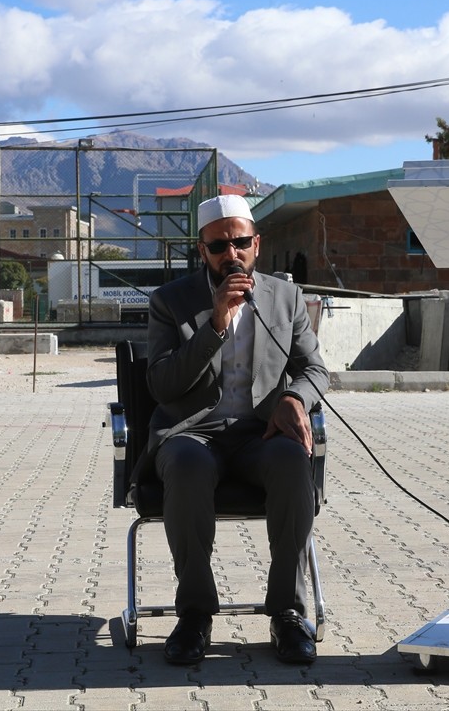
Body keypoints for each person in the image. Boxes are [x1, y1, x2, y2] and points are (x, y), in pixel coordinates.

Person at [144, 194, 329, 665]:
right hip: (193, 432)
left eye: (241, 242)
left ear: (256, 244)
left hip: (258, 435)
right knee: (185, 465)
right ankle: (195, 616)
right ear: (202, 250)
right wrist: (216, 324)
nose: (232, 253)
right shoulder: (171, 301)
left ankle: (287, 613)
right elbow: (163, 384)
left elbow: (315, 370)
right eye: (220, 245)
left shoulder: (285, 298)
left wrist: (294, 399)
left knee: (292, 460)